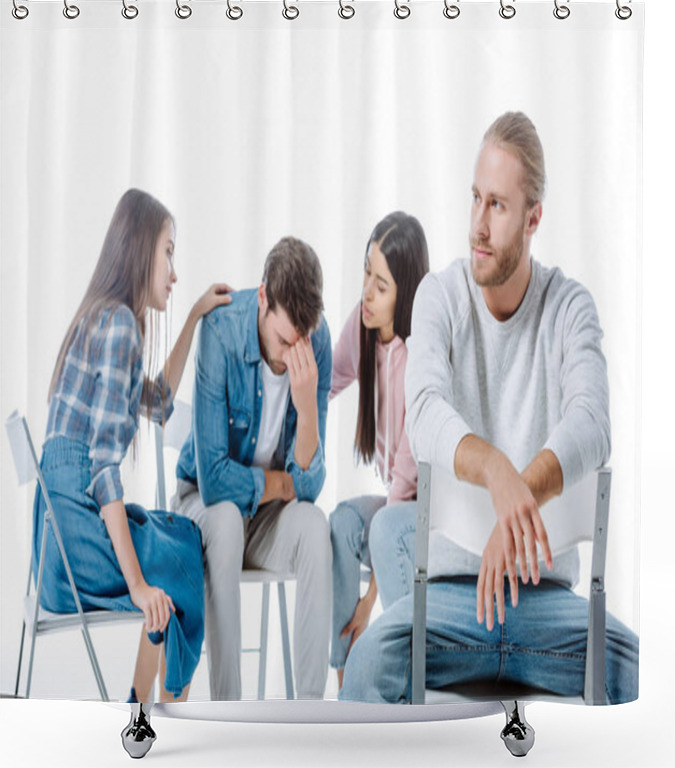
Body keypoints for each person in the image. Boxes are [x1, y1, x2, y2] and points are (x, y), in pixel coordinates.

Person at [341, 112, 639, 704]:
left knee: (643, 672)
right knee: (366, 666)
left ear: (533, 219)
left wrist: (517, 496)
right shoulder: (440, 295)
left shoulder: (569, 306)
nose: (478, 224)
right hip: (451, 601)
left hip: (549, 610)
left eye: (497, 206)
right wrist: (497, 473)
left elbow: (594, 421)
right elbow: (423, 412)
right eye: (475, 199)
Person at [34, 188, 232, 702]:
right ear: (142, 249)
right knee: (181, 561)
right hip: (77, 536)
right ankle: (159, 717)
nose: (173, 269)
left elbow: (160, 402)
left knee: (179, 535)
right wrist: (139, 587)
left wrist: (190, 317)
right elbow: (102, 470)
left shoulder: (104, 316)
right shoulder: (118, 325)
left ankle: (140, 708)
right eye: (168, 251)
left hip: (54, 541)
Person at [172, 236, 333, 701]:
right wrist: (276, 482)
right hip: (203, 505)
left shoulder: (313, 343)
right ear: (264, 298)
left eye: (301, 341)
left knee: (314, 526)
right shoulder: (221, 331)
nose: (291, 355)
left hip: (264, 520)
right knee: (224, 521)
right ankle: (229, 711)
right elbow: (215, 479)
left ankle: (309, 713)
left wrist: (306, 410)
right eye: (284, 340)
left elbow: (308, 489)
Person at [328, 212, 429, 689]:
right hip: (395, 508)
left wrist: (369, 603)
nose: (367, 292)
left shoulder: (420, 360)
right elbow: (325, 381)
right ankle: (346, 671)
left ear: (404, 294)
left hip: (426, 511)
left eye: (381, 284)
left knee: (383, 525)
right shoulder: (364, 324)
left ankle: (401, 680)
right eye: (366, 272)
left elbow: (403, 494)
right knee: (343, 521)